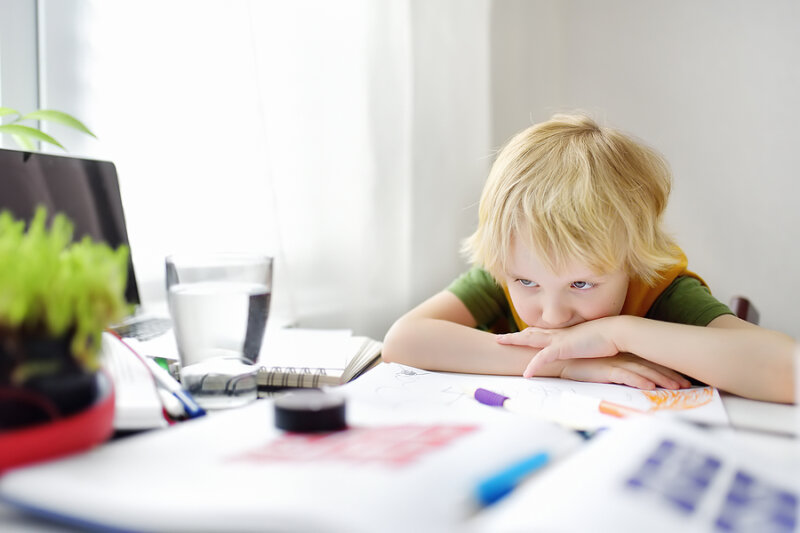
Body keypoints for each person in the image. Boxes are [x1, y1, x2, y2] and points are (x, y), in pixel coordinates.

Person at [382, 113, 794, 403]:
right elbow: (402, 341)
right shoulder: (502, 276)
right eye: (527, 282)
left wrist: (621, 334)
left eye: (581, 284)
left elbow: (788, 372)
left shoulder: (659, 291)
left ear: (630, 263)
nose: (553, 314)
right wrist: (561, 365)